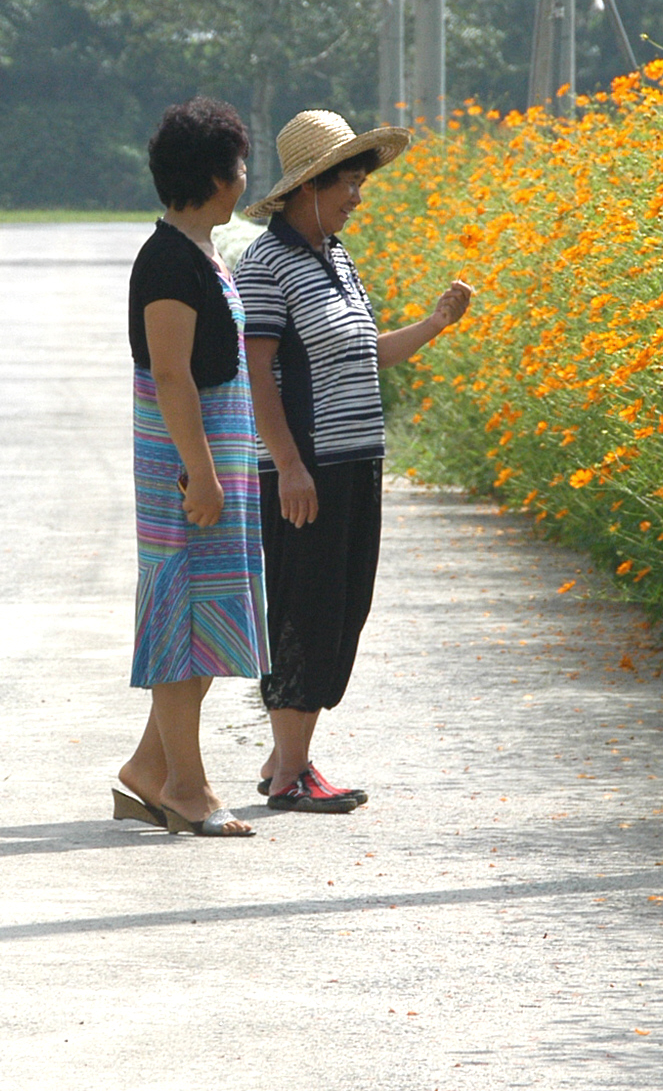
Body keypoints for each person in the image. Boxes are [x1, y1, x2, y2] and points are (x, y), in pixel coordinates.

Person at [235, 109, 472, 813]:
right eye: (348, 184)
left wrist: (435, 324)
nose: (358, 198)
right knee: (305, 610)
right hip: (306, 470)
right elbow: (257, 373)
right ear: (309, 186)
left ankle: (284, 759)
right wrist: (290, 465)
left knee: (343, 609)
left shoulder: (336, 258)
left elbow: (367, 354)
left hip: (356, 463)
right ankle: (291, 775)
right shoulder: (267, 264)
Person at [113, 98, 270, 839]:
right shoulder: (169, 261)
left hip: (214, 459)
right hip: (187, 466)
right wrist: (201, 473)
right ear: (213, 177)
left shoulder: (202, 252)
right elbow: (171, 375)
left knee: (204, 622)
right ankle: (185, 786)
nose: (244, 180)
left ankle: (149, 768)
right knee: (184, 618)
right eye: (239, 167)